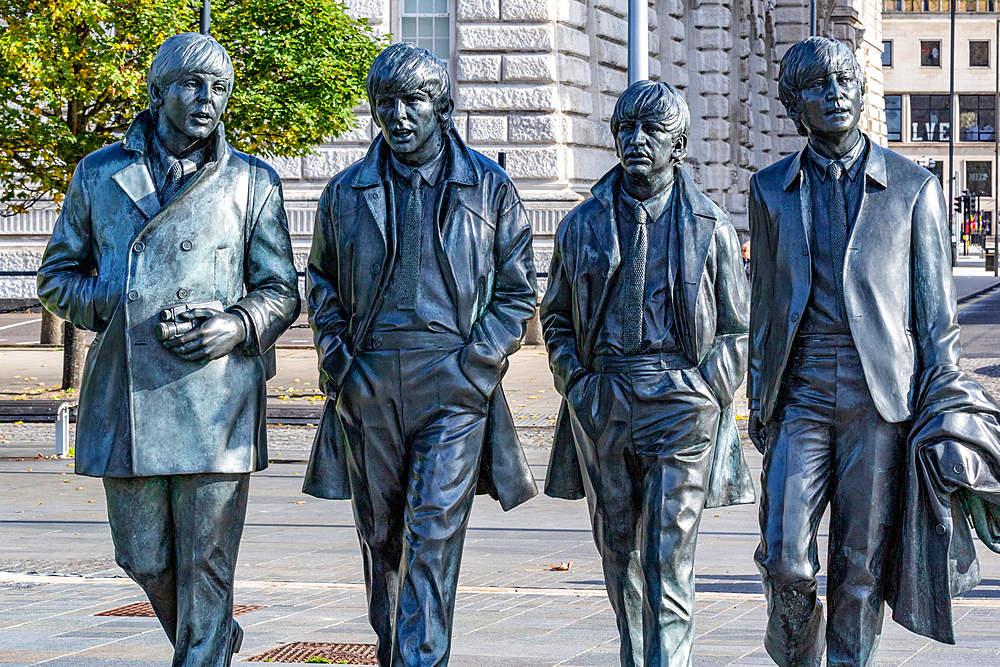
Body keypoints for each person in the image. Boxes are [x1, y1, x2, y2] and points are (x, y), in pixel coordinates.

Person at [36, 33, 300, 667]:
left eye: (219, 88)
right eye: (191, 85)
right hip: (128, 393)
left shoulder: (251, 181)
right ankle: (209, 637)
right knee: (142, 556)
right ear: (157, 95)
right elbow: (55, 276)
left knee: (206, 561)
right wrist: (116, 300)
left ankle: (203, 652)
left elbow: (280, 290)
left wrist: (237, 324)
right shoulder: (101, 174)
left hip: (217, 397)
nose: (207, 99)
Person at [301, 42, 538, 667]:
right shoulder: (346, 190)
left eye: (413, 102)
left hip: (453, 380)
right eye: (386, 104)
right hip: (369, 377)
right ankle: (396, 649)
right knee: (380, 538)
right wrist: (337, 360)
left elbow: (517, 290)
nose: (399, 116)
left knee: (431, 533)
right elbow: (320, 281)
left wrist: (477, 366)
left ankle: (418, 659)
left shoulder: (489, 187)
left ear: (444, 108)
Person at [747, 37, 965, 666]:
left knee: (860, 564)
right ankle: (797, 655)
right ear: (795, 104)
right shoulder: (769, 190)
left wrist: (943, 405)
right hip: (802, 391)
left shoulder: (911, 188)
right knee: (786, 557)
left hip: (881, 399)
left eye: (844, 81)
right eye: (817, 85)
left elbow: (937, 319)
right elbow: (765, 307)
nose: (835, 94)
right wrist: (761, 403)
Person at [541, 80, 753, 667]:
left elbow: (738, 327)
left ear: (678, 144)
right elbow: (555, 315)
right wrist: (576, 383)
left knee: (668, 557)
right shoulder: (582, 224)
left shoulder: (710, 227)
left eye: (652, 130)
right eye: (626, 129)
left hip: (681, 401)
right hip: (604, 398)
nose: (637, 140)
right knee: (618, 557)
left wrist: (707, 388)